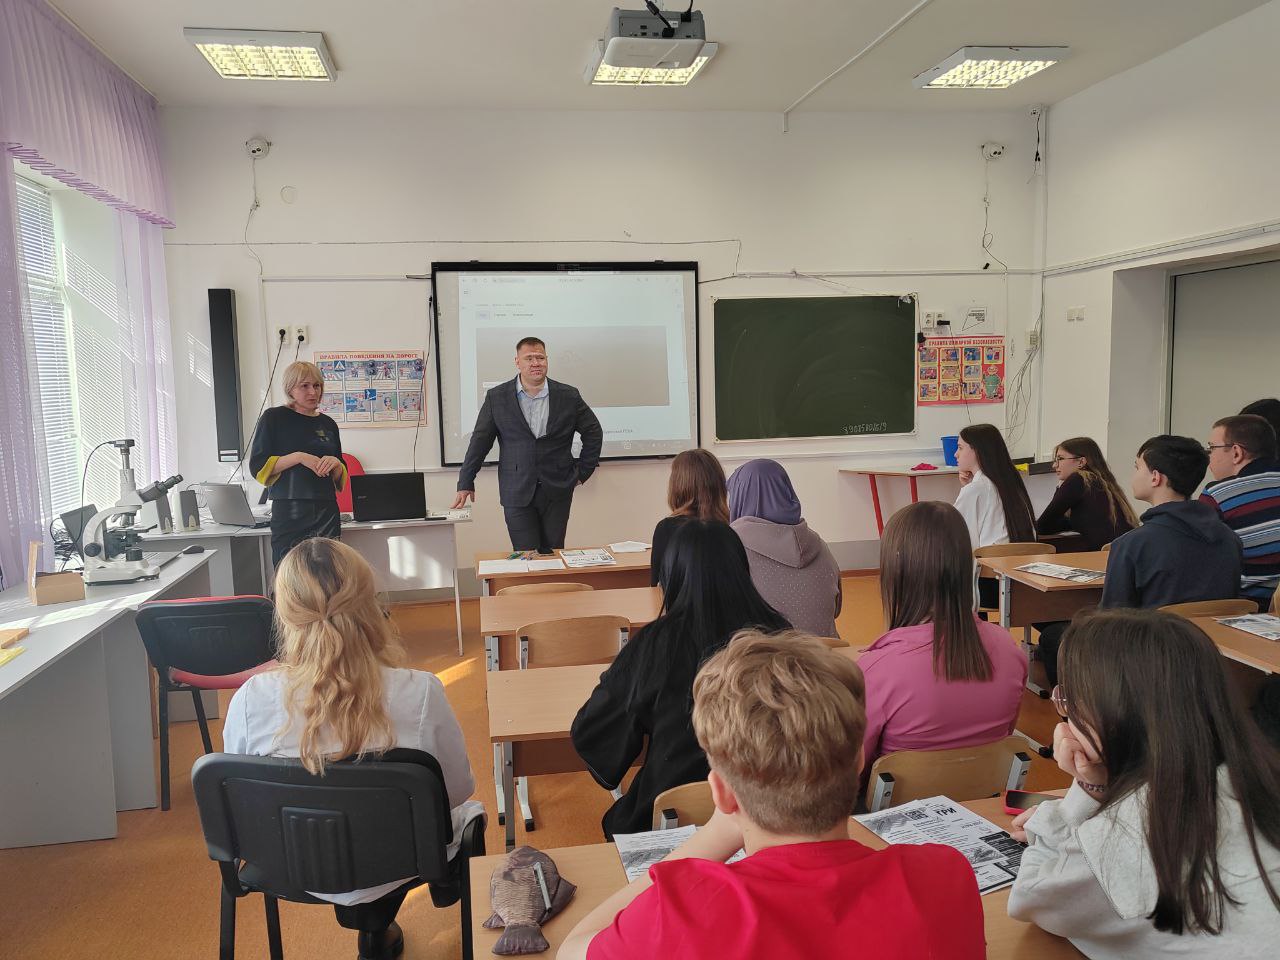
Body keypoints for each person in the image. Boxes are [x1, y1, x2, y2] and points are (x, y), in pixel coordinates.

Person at [560, 631, 986, 960]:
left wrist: (716, 833)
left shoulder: (679, 916)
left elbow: (574, 948)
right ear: (859, 760)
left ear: (723, 795)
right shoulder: (946, 877)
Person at [222, 538, 484, 959]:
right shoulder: (419, 692)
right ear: (370, 604)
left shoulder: (252, 699)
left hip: (289, 859)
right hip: (402, 858)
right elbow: (455, 791)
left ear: (284, 612)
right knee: (469, 816)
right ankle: (406, 909)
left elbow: (238, 798)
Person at [1007, 610, 1280, 957]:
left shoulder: (1131, 831)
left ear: (1109, 717)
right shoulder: (1257, 776)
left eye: (1069, 701)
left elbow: (1032, 899)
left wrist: (1083, 788)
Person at [570, 520, 789, 838]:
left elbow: (596, 726)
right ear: (741, 567)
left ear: (671, 575)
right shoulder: (779, 635)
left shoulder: (657, 643)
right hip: (770, 810)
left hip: (672, 817)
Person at [1036, 435, 1243, 687]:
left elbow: (1110, 622)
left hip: (1147, 657)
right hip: (1212, 655)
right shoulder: (1229, 538)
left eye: (1137, 468)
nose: (1133, 476)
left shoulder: (1133, 544)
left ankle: (1080, 718)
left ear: (1156, 477)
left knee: (1053, 637)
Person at [860, 501, 1027, 779]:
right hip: (982, 805)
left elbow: (855, 769)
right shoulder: (1010, 650)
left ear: (895, 571)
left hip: (893, 814)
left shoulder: (875, 670)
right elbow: (1005, 734)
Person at [453, 337, 603, 553]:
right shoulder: (497, 397)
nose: (536, 363)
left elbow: (593, 431)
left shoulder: (568, 395)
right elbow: (480, 441)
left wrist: (583, 472)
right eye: (529, 358)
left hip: (558, 487)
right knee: (525, 554)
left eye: (540, 357)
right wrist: (465, 481)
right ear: (517, 362)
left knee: (553, 553)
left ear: (547, 360)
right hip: (516, 489)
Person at [727, 459, 842, 639]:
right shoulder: (820, 546)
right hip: (826, 659)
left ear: (740, 496)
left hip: (768, 662)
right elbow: (835, 609)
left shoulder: (731, 548)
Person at [248, 360, 347, 566]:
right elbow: (258, 468)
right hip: (290, 509)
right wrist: (299, 457)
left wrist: (336, 464)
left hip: (326, 509)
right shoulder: (273, 418)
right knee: (288, 570)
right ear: (290, 389)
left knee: (328, 571)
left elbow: (340, 476)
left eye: (317, 385)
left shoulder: (328, 424)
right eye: (305, 386)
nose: (313, 392)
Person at [1201, 414, 1280, 606]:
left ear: (1236, 452)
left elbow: (1198, 563)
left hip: (1246, 612)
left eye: (1212, 448)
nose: (1209, 456)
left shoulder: (1217, 495)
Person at [1036, 436, 1138, 551]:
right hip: (1124, 555)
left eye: (1060, 459)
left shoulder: (1079, 479)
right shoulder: (1105, 483)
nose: (1055, 465)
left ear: (1081, 462)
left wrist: (1059, 487)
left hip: (1101, 559)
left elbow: (1042, 526)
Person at [649, 448, 729, 586]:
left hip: (678, 607)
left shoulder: (666, 529)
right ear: (719, 484)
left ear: (677, 486)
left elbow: (656, 586)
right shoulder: (730, 530)